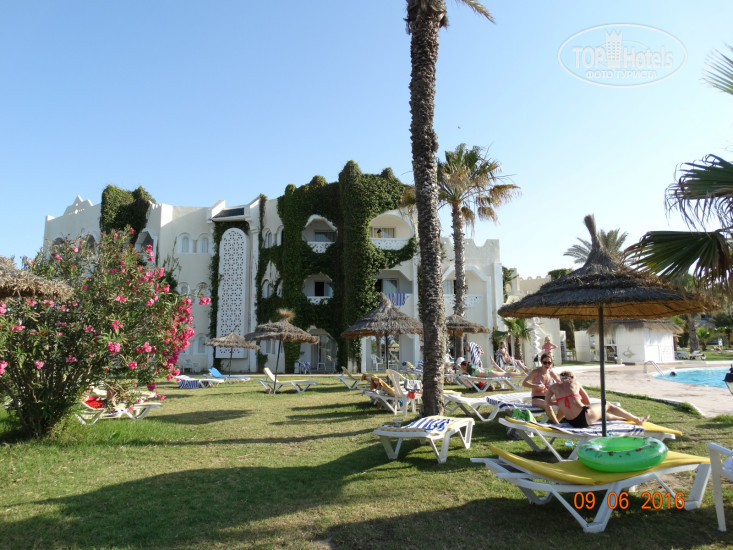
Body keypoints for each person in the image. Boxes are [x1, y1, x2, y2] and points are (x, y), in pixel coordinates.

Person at [545, 370, 649, 428]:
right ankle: (637, 420)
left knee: (602, 414)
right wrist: (575, 400)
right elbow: (587, 401)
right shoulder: (574, 382)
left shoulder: (553, 387)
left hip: (572, 422)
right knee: (607, 405)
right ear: (571, 377)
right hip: (583, 418)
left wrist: (560, 402)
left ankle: (628, 418)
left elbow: (547, 403)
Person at [522, 352, 561, 423]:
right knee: (548, 405)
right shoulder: (536, 372)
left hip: (548, 398)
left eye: (549, 363)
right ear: (541, 362)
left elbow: (560, 382)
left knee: (564, 402)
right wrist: (535, 386)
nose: (547, 365)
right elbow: (524, 383)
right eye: (545, 362)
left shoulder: (550, 372)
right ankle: (557, 425)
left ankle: (558, 420)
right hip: (536, 398)